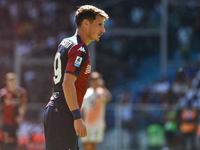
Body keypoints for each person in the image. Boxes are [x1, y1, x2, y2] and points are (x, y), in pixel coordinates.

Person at [43, 5, 109, 150]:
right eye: (99, 25)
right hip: (63, 112)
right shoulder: (79, 48)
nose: (103, 30)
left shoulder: (67, 42)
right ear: (86, 23)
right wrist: (77, 117)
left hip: (57, 110)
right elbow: (67, 83)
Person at [81, 72, 112, 150]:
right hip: (86, 123)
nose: (96, 81)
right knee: (84, 143)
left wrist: (103, 86)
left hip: (97, 123)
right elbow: (82, 108)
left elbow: (109, 99)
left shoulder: (102, 92)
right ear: (90, 81)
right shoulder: (86, 92)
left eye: (97, 79)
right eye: (94, 79)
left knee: (93, 144)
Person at [0, 72, 27, 150]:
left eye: (14, 79)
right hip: (6, 122)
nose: (12, 81)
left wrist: (21, 115)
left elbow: (23, 105)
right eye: (10, 80)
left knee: (15, 142)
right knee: (7, 142)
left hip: (16, 122)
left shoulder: (21, 92)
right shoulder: (3, 93)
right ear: (6, 82)